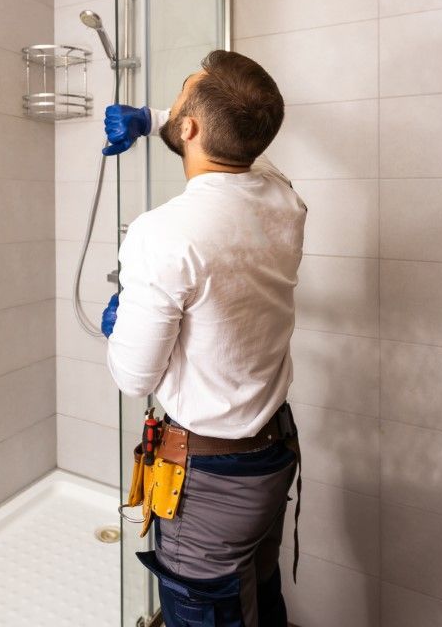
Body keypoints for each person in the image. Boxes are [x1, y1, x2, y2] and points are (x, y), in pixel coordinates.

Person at [101, 50, 307, 627]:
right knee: (260, 601)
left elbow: (133, 377)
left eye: (182, 93)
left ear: (189, 128)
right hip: (270, 456)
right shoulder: (283, 199)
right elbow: (238, 137)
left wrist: (120, 325)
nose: (175, 100)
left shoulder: (162, 233)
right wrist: (155, 115)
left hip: (212, 487)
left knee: (206, 612)